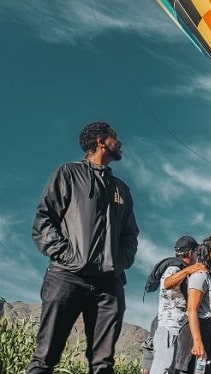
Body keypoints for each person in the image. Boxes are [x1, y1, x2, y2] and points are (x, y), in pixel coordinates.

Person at [28, 121, 139, 374]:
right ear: (101, 141)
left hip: (108, 285)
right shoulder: (67, 173)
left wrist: (118, 263)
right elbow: (43, 221)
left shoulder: (121, 189)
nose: (119, 142)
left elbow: (130, 234)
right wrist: (69, 257)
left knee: (103, 364)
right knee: (45, 358)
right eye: (114, 136)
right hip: (66, 277)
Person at [172, 234, 211, 374]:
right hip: (200, 331)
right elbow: (192, 309)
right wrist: (197, 341)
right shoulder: (200, 275)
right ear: (207, 251)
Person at [147, 236, 205, 374]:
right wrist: (189, 270)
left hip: (176, 329)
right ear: (191, 253)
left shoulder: (180, 267)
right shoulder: (174, 267)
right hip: (168, 328)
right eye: (197, 252)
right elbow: (167, 283)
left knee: (171, 369)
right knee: (162, 368)